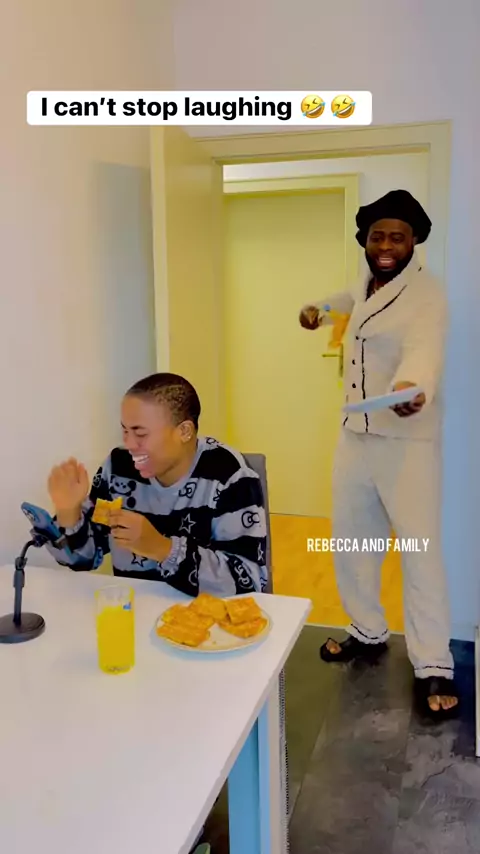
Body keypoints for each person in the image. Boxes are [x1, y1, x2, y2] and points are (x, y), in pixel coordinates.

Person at [299, 189, 458, 718]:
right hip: (356, 435)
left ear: (414, 241)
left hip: (406, 443)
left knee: (419, 552)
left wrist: (413, 387)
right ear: (365, 241)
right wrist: (317, 312)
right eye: (377, 237)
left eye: (397, 237)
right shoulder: (365, 282)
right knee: (352, 540)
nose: (386, 246)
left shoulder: (427, 295)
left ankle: (433, 662)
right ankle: (367, 630)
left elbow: (423, 350)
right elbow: (344, 303)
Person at [31, 372, 268, 597]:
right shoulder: (118, 468)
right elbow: (86, 557)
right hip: (136, 611)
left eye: (140, 434)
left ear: (184, 431)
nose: (129, 444)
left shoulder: (229, 476)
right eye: (125, 431)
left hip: (204, 616)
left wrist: (162, 548)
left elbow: (248, 581)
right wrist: (69, 512)